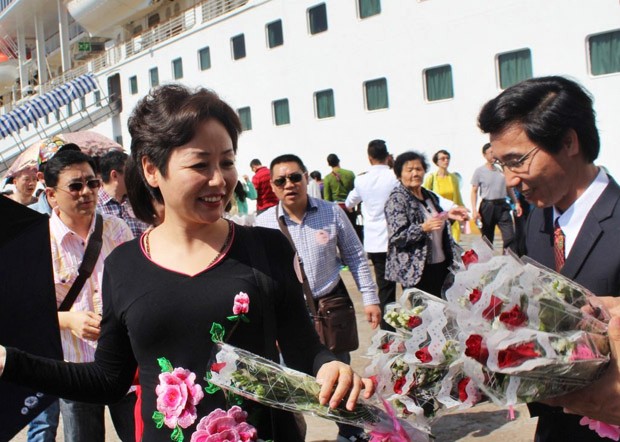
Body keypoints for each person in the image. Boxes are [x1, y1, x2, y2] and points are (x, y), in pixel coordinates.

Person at [0, 85, 373, 442]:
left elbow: (303, 348)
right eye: (200, 164)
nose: (219, 179)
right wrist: (10, 362)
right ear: (150, 169)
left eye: (226, 162)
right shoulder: (123, 264)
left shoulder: (267, 247)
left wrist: (329, 367)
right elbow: (108, 379)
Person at [477, 75, 620, 442]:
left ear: (568, 141)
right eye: (500, 165)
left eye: (517, 161)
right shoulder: (537, 217)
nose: (509, 179)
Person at [255, 153, 381, 442]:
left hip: (329, 309)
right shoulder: (263, 224)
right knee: (292, 384)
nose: (289, 184)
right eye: (281, 180)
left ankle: (350, 433)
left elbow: (356, 256)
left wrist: (370, 299)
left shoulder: (331, 212)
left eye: (295, 177)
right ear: (273, 187)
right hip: (289, 316)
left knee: (339, 376)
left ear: (306, 178)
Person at [43, 150, 136, 441]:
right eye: (75, 186)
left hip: (123, 363)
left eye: (92, 183)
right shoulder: (38, 243)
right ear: (51, 195)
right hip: (75, 369)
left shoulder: (116, 230)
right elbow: (27, 310)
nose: (86, 192)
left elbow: (135, 287)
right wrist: (67, 319)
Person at [385, 151, 468, 297]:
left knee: (444, 309)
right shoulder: (397, 200)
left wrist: (449, 216)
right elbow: (397, 236)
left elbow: (438, 219)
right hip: (417, 269)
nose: (415, 173)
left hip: (441, 265)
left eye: (419, 169)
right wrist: (423, 228)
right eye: (409, 170)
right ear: (399, 175)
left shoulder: (429, 196)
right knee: (424, 314)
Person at [345, 139, 398, 330]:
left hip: (375, 240)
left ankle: (388, 329)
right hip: (397, 238)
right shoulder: (395, 176)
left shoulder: (361, 180)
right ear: (387, 156)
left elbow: (350, 203)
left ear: (369, 158)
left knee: (385, 288)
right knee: (409, 287)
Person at [470, 142, 522, 252]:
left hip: (503, 206)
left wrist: (516, 202)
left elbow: (508, 188)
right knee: (487, 239)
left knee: (510, 236)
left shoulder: (501, 169)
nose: (493, 155)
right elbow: (474, 191)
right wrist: (474, 210)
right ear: (484, 155)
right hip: (487, 207)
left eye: (495, 152)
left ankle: (508, 261)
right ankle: (488, 264)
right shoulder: (479, 171)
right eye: (490, 153)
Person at [97, 150, 150, 238]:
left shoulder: (135, 201)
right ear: (114, 175)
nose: (134, 177)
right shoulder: (96, 207)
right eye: (130, 173)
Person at [29, 142, 82, 216]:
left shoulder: (90, 208)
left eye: (73, 163)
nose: (70, 171)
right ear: (42, 177)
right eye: (59, 166)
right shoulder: (29, 218)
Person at [423, 149, 465, 242]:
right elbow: (424, 195)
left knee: (453, 243)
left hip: (452, 216)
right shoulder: (431, 178)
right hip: (437, 217)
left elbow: (457, 196)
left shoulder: (453, 178)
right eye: (442, 158)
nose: (446, 160)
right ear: (437, 162)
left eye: (447, 158)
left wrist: (462, 209)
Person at [323, 153, 359, 232]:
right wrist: (358, 208)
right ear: (339, 160)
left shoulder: (327, 178)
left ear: (328, 164)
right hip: (350, 208)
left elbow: (327, 199)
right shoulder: (350, 174)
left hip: (337, 210)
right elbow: (357, 192)